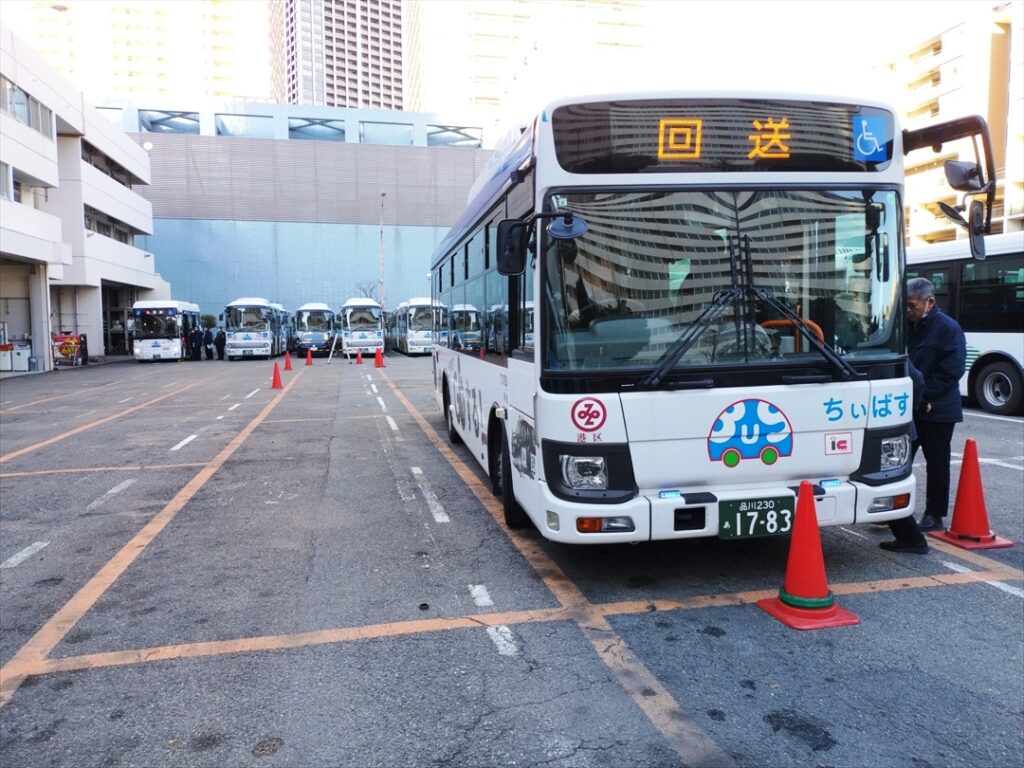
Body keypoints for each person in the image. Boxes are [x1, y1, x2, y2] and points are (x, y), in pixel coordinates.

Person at [906, 276, 967, 532]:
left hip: (937, 407)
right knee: (899, 458)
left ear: (929, 302)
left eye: (912, 305)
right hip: (912, 405)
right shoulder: (908, 325)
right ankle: (892, 507)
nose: (908, 310)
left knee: (937, 462)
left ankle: (934, 514)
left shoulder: (948, 328)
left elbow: (951, 371)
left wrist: (926, 397)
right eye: (905, 306)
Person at [880, 360, 930, 553]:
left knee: (886, 478)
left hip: (888, 428)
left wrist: (910, 410)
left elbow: (917, 381)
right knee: (886, 478)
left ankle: (912, 538)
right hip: (887, 426)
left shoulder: (882, 350)